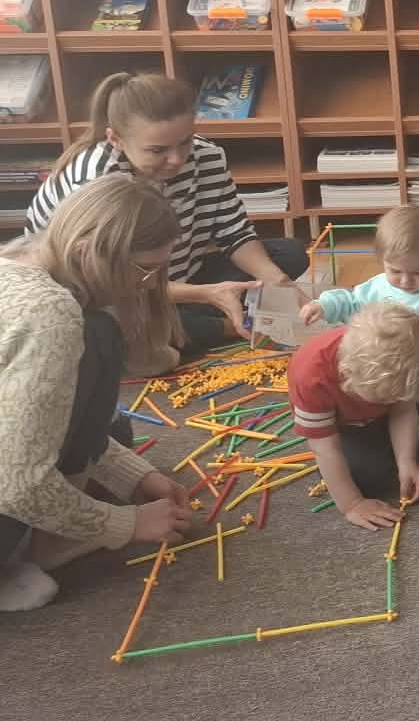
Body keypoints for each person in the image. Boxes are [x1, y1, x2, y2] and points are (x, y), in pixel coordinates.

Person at [25, 73, 310, 372]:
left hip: (173, 273)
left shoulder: (207, 156)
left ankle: (201, 317)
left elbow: (234, 231)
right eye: (157, 150)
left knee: (287, 256)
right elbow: (106, 281)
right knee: (113, 329)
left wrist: (276, 280)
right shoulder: (96, 178)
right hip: (114, 289)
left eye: (185, 141)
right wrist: (207, 294)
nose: (177, 159)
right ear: (116, 140)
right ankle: (225, 324)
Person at [0, 175, 193, 611]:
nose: (150, 284)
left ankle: (41, 536)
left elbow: (34, 419)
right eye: (144, 269)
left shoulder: (15, 259)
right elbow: (19, 485)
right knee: (100, 336)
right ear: (89, 250)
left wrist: (137, 477)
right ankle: (43, 542)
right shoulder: (51, 312)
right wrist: (125, 524)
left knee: (115, 428)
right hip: (11, 484)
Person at [290, 300, 419, 530]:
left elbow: (403, 409)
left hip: (399, 388)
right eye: (385, 399)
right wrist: (352, 504)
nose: (393, 402)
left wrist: (406, 461)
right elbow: (325, 448)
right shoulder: (311, 379)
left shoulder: (401, 361)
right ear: (347, 375)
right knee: (364, 479)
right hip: (354, 426)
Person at [300, 205, 419, 345]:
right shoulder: (378, 287)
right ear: (382, 260)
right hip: (386, 367)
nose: (406, 281)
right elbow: (351, 302)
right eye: (395, 271)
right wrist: (324, 305)